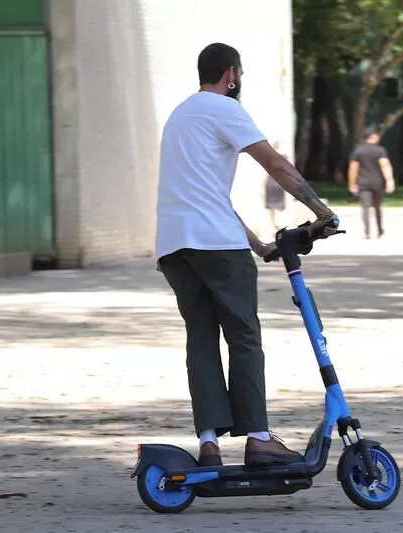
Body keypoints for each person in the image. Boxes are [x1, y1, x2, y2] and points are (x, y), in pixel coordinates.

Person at [154, 42, 337, 468]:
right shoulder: (225, 109)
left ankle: (209, 445)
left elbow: (205, 196)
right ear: (231, 73)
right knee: (244, 337)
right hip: (216, 246)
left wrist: (258, 245)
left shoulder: (179, 117)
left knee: (200, 339)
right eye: (240, 75)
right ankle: (258, 438)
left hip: (174, 246)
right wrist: (321, 211)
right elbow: (275, 164)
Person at [347, 127, 396, 239]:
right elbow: (385, 165)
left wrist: (352, 184)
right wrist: (389, 181)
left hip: (363, 183)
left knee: (365, 207)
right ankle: (379, 230)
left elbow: (353, 169)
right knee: (377, 207)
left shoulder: (358, 151)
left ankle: (367, 232)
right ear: (373, 137)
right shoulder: (380, 150)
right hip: (377, 183)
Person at [264, 141, 288, 233]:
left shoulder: (269, 156)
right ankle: (275, 225)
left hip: (274, 182)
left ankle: (275, 224)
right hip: (276, 182)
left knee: (274, 206)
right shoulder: (282, 156)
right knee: (275, 205)